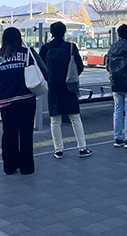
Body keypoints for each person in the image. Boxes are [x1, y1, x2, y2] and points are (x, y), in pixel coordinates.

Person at [0, 27, 37, 175]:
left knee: (9, 133)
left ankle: (9, 166)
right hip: (26, 98)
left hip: (6, 101)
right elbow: (40, 71)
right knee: (26, 133)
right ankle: (26, 167)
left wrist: (3, 91)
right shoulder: (27, 53)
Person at [39, 22, 91, 159]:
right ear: (64, 32)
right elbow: (79, 66)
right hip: (69, 87)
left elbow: (41, 67)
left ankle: (58, 150)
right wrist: (70, 77)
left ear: (51, 33)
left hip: (53, 88)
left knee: (55, 120)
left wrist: (50, 78)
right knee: (75, 118)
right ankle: (82, 148)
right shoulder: (70, 47)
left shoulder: (45, 48)